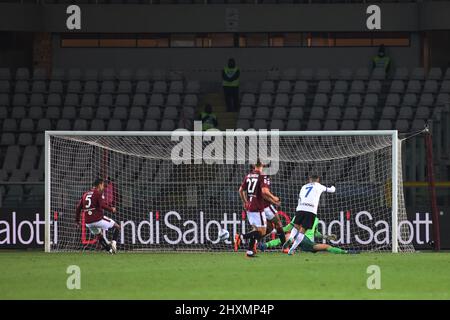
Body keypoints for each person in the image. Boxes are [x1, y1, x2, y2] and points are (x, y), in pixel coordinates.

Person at [235, 159, 280, 257]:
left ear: (253, 165)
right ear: (263, 164)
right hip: (258, 207)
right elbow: (264, 191)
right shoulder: (261, 176)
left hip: (249, 207)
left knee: (256, 229)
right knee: (261, 232)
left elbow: (240, 190)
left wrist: (245, 202)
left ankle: (250, 251)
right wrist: (274, 198)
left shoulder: (248, 176)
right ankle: (241, 237)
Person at [282, 175, 335, 255]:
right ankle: (292, 249)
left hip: (300, 208)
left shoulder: (304, 186)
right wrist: (333, 185)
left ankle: (291, 238)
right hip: (311, 210)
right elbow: (332, 190)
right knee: (302, 231)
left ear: (310, 179)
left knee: (296, 227)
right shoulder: (319, 186)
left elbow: (299, 198)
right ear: (318, 180)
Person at [260, 214, 357, 254]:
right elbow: (315, 233)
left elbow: (287, 228)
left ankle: (266, 245)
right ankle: (346, 252)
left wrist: (326, 236)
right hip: (307, 244)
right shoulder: (313, 217)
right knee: (326, 247)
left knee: (289, 235)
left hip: (305, 241)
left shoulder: (300, 216)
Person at [75, 178, 120, 254]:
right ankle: (114, 243)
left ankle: (110, 251)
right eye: (102, 185)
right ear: (99, 185)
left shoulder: (85, 194)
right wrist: (111, 209)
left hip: (88, 222)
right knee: (117, 227)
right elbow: (102, 205)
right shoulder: (97, 193)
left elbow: (78, 208)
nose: (103, 187)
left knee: (99, 236)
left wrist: (77, 220)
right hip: (97, 219)